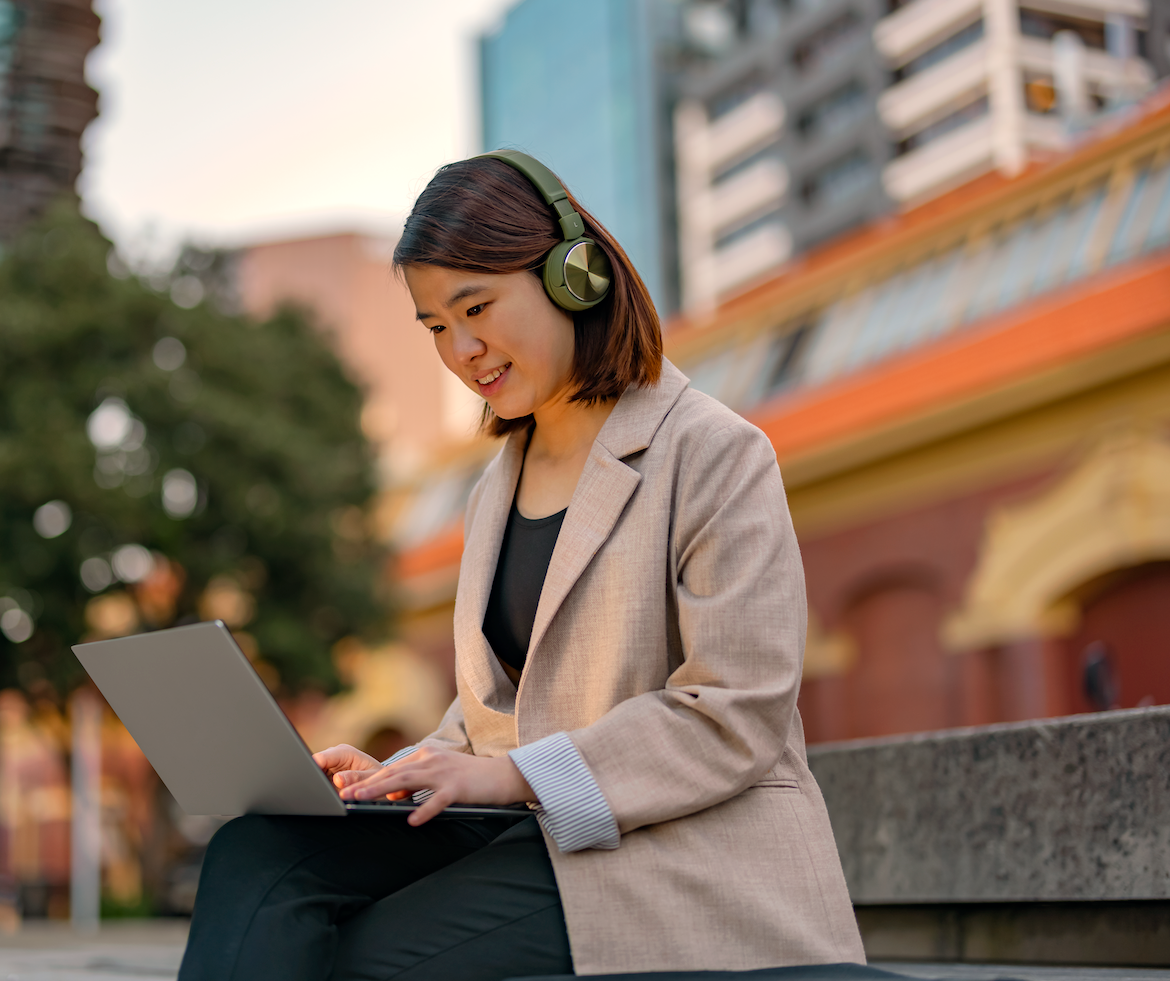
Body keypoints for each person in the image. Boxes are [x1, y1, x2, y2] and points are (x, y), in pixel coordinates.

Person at [176, 151, 865, 981]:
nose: (462, 349)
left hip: (679, 850)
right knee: (261, 855)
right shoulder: (494, 490)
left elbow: (733, 712)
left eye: (476, 307)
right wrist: (398, 775)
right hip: (537, 830)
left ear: (575, 276)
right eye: (435, 327)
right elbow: (495, 717)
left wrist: (505, 777)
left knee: (362, 958)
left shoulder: (714, 454)